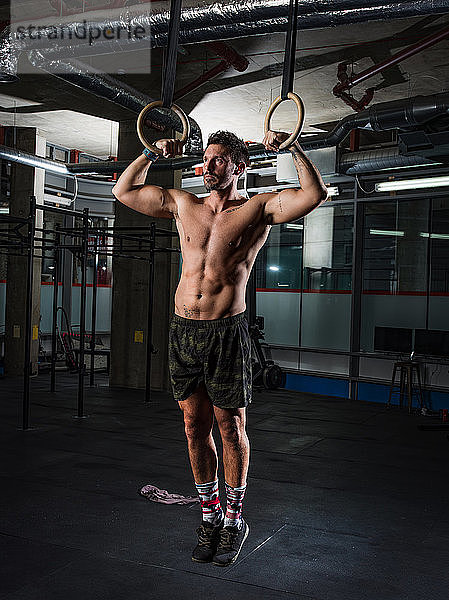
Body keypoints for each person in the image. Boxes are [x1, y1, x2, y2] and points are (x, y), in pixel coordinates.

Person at [112, 129, 328, 566]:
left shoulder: (258, 208)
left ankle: (234, 520)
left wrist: (293, 149)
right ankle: (210, 515)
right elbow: (123, 191)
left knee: (230, 427)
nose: (207, 167)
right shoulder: (182, 204)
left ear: (238, 166)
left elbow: (314, 193)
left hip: (226, 333)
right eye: (205, 160)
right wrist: (151, 153)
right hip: (183, 331)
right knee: (194, 427)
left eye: (217, 161)